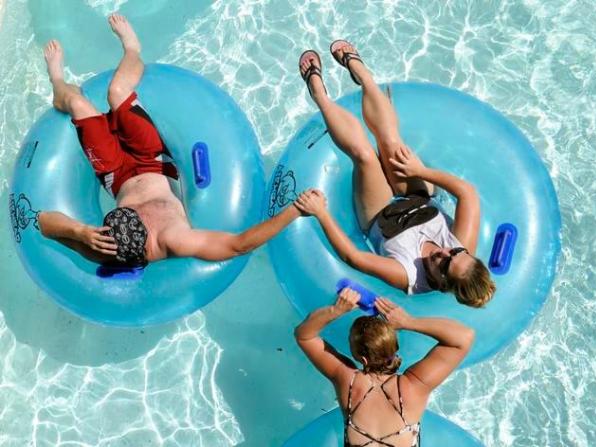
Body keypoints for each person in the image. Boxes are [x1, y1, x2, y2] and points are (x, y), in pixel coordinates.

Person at [38, 14, 304, 267]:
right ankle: (132, 50)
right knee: (118, 92)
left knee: (78, 103)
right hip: (154, 162)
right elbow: (238, 245)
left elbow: (44, 222)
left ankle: (59, 79)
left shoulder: (104, 249)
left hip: (115, 175)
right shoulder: (172, 239)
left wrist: (80, 232)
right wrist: (296, 210)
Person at [294, 40, 496, 308]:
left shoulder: (409, 276)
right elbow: (467, 193)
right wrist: (420, 171)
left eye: (445, 265)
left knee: (365, 156)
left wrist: (321, 213)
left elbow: (354, 257)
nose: (444, 252)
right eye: (455, 252)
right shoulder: (462, 245)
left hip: (379, 215)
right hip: (418, 197)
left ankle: (319, 94)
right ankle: (362, 74)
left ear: (443, 284)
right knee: (390, 141)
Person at [295, 288, 475, 446]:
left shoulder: (347, 380)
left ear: (363, 360)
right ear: (393, 346)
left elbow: (304, 336)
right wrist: (408, 321)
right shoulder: (414, 386)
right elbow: (464, 337)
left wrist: (336, 310)